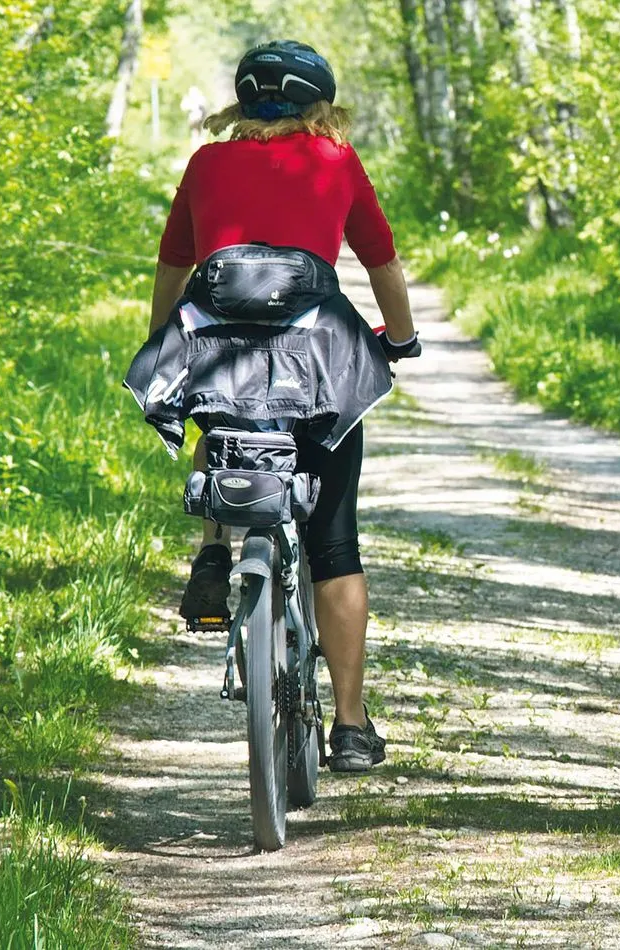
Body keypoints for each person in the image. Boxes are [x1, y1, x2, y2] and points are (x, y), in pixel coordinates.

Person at [147, 41, 421, 772]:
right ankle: (353, 727)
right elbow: (381, 261)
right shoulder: (334, 160)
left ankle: (213, 545)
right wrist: (402, 340)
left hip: (219, 350)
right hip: (316, 359)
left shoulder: (207, 163)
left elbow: (175, 265)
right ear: (318, 105)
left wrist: (161, 342)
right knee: (335, 543)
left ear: (242, 104)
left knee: (217, 411)